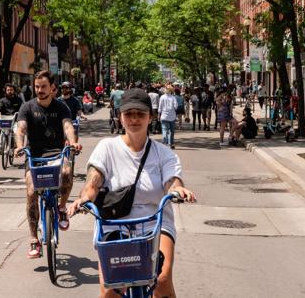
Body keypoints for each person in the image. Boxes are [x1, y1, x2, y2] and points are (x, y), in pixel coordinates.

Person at [70, 88, 198, 298]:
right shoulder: (106, 147)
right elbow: (93, 182)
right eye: (129, 113)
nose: (134, 119)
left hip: (154, 223)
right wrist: (84, 198)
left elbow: (172, 182)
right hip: (115, 223)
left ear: (151, 117)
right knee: (110, 287)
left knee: (162, 280)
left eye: (141, 114)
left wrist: (177, 190)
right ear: (120, 117)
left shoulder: (164, 153)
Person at [13, 71, 80, 258]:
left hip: (56, 154)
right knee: (31, 191)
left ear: (53, 88)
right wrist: (19, 146)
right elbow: (21, 129)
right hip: (34, 155)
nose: (39, 90)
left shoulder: (61, 107)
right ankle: (34, 240)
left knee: (67, 172)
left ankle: (61, 209)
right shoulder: (27, 107)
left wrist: (73, 143)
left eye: (43, 86)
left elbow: (68, 126)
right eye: (37, 86)